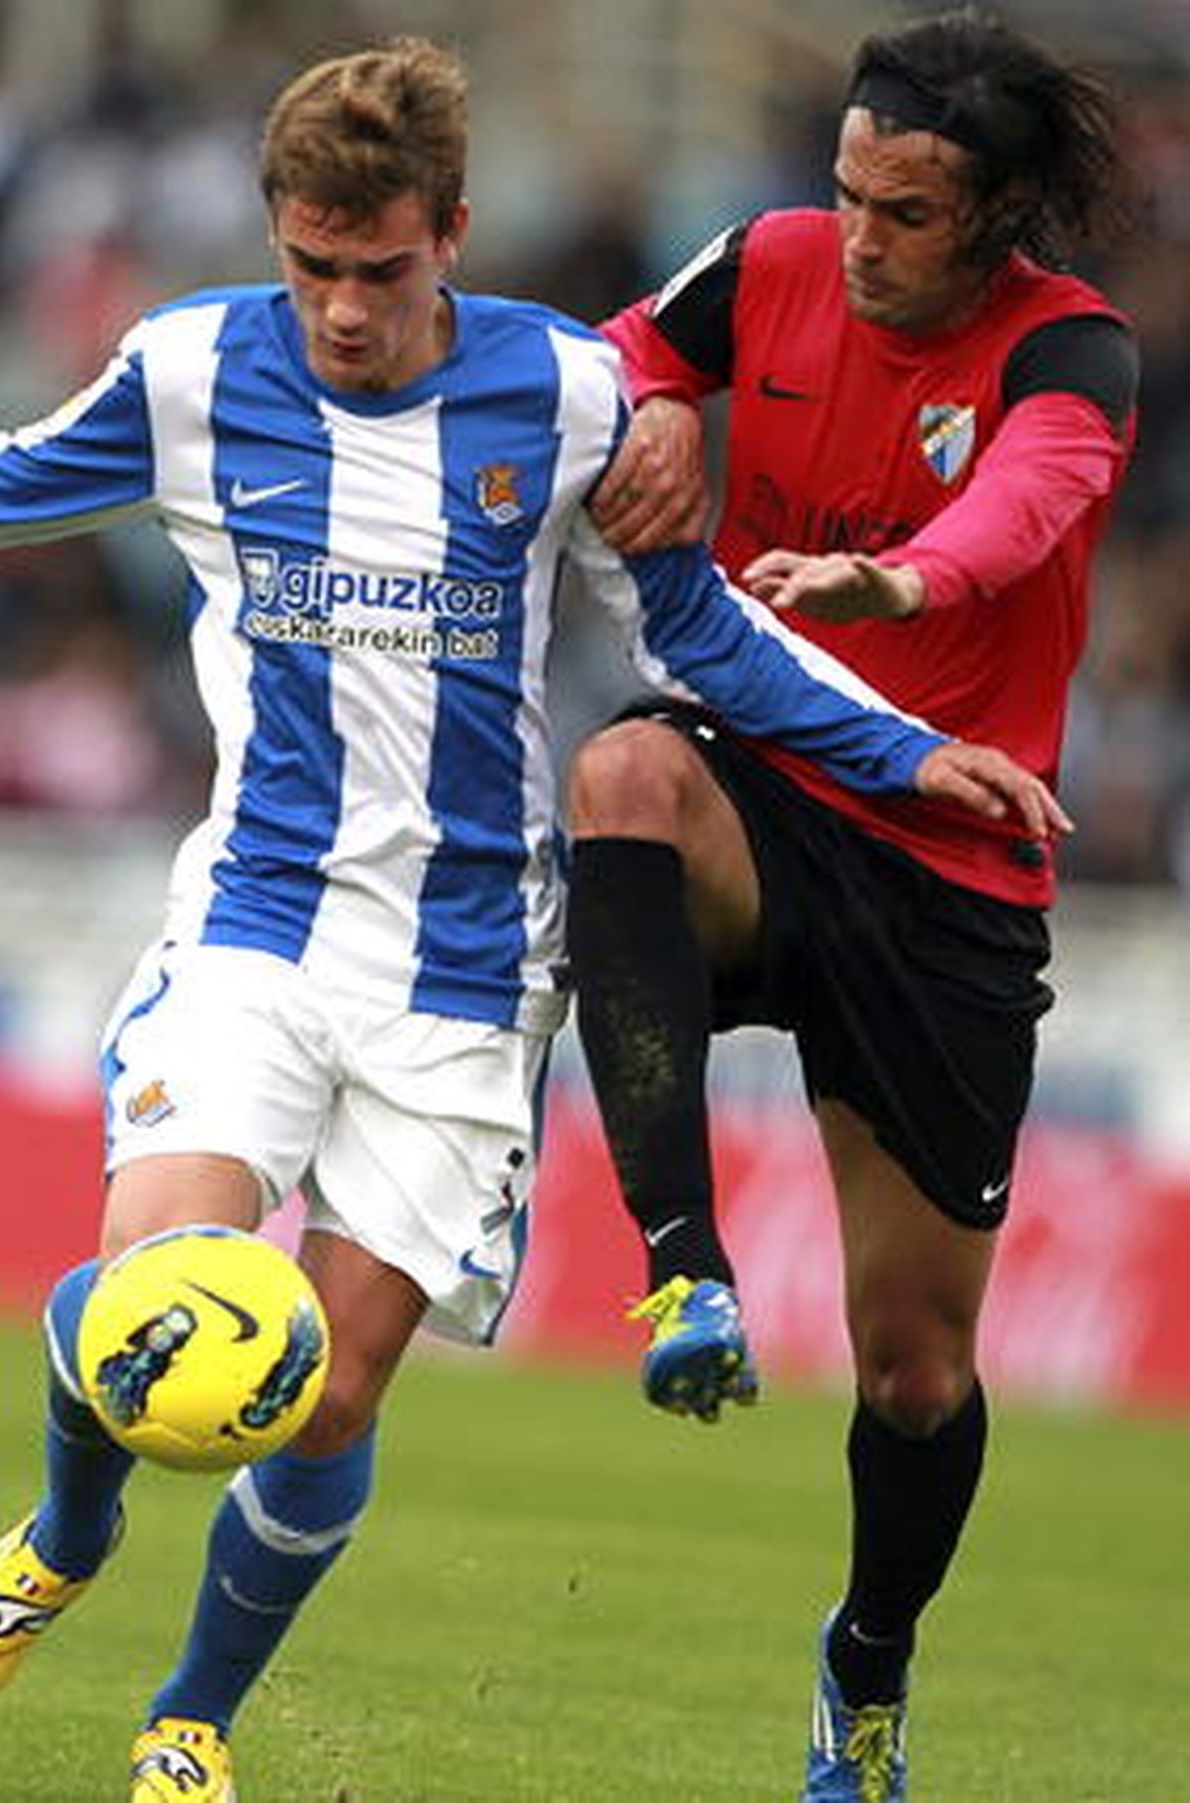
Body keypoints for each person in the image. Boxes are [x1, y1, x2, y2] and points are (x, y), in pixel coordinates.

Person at [0, 38, 1066, 1800]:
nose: (347, 309)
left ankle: (189, 1723)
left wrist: (916, 757)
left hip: (464, 976)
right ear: (276, 235)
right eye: (313, 266)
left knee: (324, 1402)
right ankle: (64, 1538)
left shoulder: (568, 401)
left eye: (382, 270)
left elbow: (703, 642)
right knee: (165, 1309)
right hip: (257, 928)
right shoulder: (195, 368)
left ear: (451, 233)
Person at [576, 12, 1137, 1799]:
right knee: (624, 780)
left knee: (912, 1372)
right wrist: (662, 400)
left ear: (991, 220)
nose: (864, 236)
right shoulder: (771, 262)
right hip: (763, 772)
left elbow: (1033, 510)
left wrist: (896, 581)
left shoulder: (1073, 348)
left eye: (907, 212)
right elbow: (620, 349)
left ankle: (868, 1663)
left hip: (954, 854)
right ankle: (682, 1279)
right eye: (850, 192)